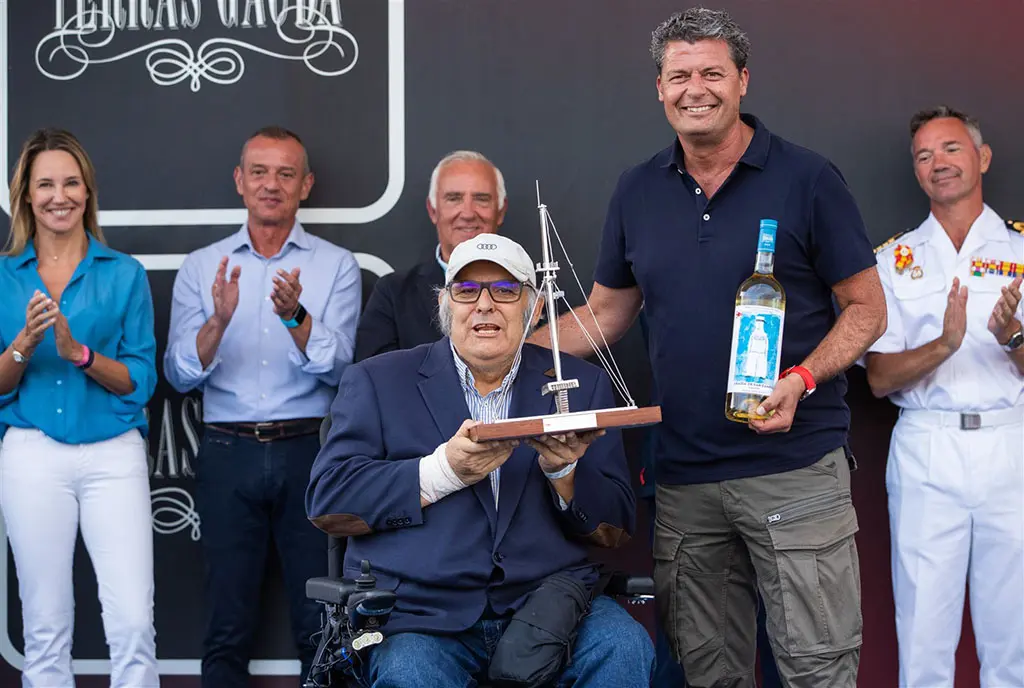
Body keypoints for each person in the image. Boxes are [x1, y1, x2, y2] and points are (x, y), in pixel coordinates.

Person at [530, 8, 887, 686]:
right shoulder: (637, 190)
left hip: (795, 470)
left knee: (818, 671)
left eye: (712, 73)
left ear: (743, 81)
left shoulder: (808, 179)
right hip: (686, 480)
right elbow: (605, 314)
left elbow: (868, 310)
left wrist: (804, 378)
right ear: (658, 89)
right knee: (708, 675)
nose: (696, 88)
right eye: (679, 75)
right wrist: (505, 361)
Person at [307, 235, 654, 687]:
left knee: (624, 645)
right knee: (408, 671)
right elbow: (329, 501)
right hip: (421, 614)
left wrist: (564, 473)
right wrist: (442, 472)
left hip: (548, 610)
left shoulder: (579, 385)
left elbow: (615, 528)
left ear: (532, 307)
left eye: (505, 290)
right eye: (467, 290)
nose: (484, 305)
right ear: (447, 304)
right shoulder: (377, 380)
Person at [163, 126, 361, 687]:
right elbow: (178, 373)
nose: (270, 184)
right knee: (225, 628)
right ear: (239, 181)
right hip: (227, 452)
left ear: (306, 185)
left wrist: (296, 316)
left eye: (285, 173)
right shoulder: (205, 267)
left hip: (309, 452)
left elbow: (344, 369)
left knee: (320, 623)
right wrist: (219, 321)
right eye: (259, 172)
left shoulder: (335, 265)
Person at [864, 106, 1024, 688]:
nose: (939, 164)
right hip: (928, 448)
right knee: (924, 635)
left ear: (981, 158)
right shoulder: (893, 260)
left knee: (1015, 635)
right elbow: (879, 379)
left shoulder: (1021, 251)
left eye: (951, 149)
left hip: (1011, 445)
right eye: (925, 155)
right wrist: (944, 345)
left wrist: (1014, 338)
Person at [0, 128, 158, 687]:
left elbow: (141, 382)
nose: (58, 195)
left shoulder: (124, 273)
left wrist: (79, 354)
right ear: (26, 195)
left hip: (113, 455)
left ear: (87, 193)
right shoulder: (2, 276)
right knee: (43, 628)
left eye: (70, 182)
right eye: (45, 184)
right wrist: (24, 344)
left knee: (134, 624)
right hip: (31, 454)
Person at [354, 150, 507, 361]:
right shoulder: (393, 293)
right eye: (454, 198)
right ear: (433, 210)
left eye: (481, 199)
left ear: (501, 211)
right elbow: (373, 378)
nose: (468, 213)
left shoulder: (532, 289)